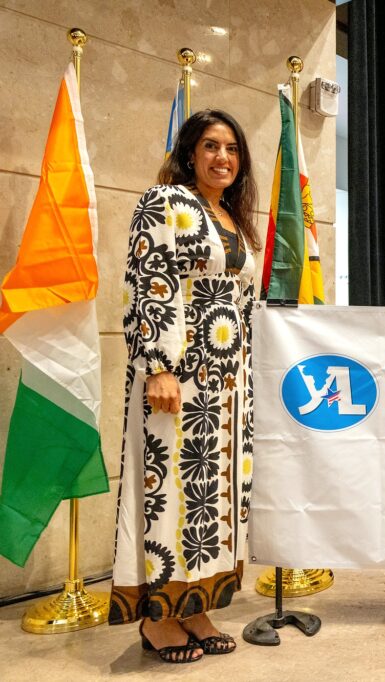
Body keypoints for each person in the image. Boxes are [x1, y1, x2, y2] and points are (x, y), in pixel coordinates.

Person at [109, 110, 260, 663]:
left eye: (232, 149)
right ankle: (158, 617)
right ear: (190, 153)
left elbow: (241, 305)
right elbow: (149, 283)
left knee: (212, 500)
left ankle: (195, 604)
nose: (223, 157)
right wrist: (158, 366)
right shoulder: (166, 203)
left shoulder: (233, 218)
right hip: (178, 379)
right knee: (170, 494)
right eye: (211, 146)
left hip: (227, 388)